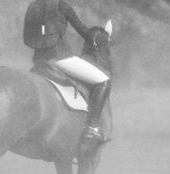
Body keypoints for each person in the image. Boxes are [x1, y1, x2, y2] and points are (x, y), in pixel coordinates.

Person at [23, 0, 110, 143]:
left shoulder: (33, 6)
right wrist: (98, 42)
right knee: (103, 81)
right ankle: (92, 126)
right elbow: (84, 32)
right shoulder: (61, 5)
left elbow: (27, 38)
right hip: (59, 57)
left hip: (38, 59)